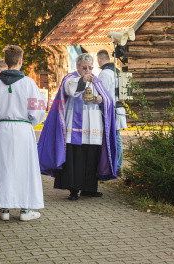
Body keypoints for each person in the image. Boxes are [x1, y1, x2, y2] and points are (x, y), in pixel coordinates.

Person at [38, 53, 117, 201]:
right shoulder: (70, 78)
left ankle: (89, 189)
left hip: (93, 128)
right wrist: (82, 80)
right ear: (78, 67)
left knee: (91, 158)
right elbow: (71, 90)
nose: (88, 70)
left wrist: (101, 99)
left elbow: (108, 100)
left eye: (90, 68)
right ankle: (73, 190)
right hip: (74, 127)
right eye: (84, 68)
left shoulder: (96, 81)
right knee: (75, 159)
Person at [0, 45, 46, 221]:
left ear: (5, 61)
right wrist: (30, 123)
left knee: (4, 167)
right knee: (24, 168)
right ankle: (25, 210)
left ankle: (4, 209)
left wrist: (0, 124)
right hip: (22, 129)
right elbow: (38, 110)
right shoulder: (28, 83)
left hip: (3, 129)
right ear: (20, 61)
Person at [97, 50, 127, 176]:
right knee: (117, 138)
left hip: (110, 111)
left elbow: (100, 94)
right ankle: (117, 166)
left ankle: (114, 166)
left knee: (113, 138)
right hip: (119, 108)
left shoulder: (104, 74)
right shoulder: (118, 72)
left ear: (99, 59)